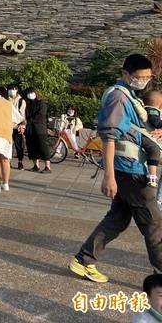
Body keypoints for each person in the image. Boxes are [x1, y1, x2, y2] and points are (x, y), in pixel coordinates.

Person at [71, 54, 162, 283]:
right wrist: (108, 176)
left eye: (146, 78)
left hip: (128, 169)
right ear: (125, 74)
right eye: (139, 77)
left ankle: (84, 260)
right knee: (154, 224)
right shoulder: (119, 98)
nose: (143, 81)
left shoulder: (128, 96)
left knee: (118, 219)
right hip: (130, 171)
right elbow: (109, 137)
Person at [24, 88, 51, 173]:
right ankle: (36, 165)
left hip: (40, 129)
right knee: (32, 147)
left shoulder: (42, 103)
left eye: (31, 92)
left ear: (36, 93)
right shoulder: (27, 104)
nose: (30, 94)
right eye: (28, 93)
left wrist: (27, 121)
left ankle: (48, 167)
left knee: (43, 147)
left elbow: (40, 115)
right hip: (30, 129)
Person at [7, 84, 27, 169]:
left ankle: (20, 161)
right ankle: (8, 161)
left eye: (14, 89)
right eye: (11, 89)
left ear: (17, 90)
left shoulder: (21, 100)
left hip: (17, 126)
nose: (12, 90)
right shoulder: (6, 100)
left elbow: (23, 114)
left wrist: (23, 125)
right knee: (8, 145)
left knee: (19, 145)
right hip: (7, 126)